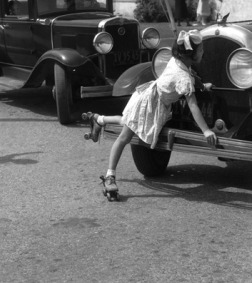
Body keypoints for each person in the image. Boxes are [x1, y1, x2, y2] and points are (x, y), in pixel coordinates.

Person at [86, 30, 217, 194]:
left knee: (129, 122)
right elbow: (193, 105)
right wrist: (206, 130)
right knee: (125, 136)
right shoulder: (182, 77)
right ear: (191, 54)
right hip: (147, 103)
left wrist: (203, 86)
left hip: (150, 99)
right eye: (201, 50)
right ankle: (110, 176)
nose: (203, 52)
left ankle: (99, 120)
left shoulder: (177, 61)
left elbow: (192, 76)